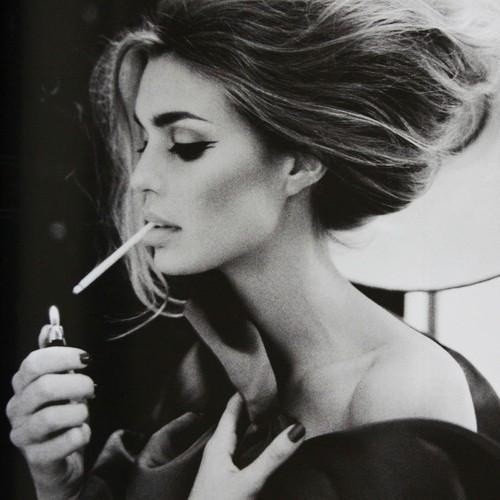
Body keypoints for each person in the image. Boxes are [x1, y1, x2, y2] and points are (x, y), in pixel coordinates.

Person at [7, 0, 500, 498]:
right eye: (142, 143)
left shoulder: (403, 390)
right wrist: (59, 487)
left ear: (300, 163)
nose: (140, 179)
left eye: (185, 145)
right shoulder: (208, 374)